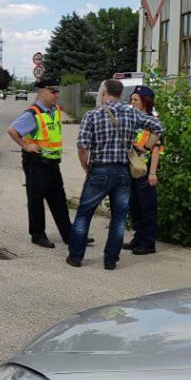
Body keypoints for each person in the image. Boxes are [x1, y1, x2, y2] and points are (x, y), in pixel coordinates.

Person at [67, 79, 164, 270]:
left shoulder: (92, 115)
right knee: (119, 217)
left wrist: (85, 166)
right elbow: (158, 127)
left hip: (99, 170)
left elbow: (83, 146)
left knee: (84, 214)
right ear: (121, 94)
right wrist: (146, 147)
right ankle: (110, 259)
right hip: (123, 172)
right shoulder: (132, 113)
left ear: (104, 92)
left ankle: (76, 256)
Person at [6, 78, 72, 249]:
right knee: (36, 200)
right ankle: (38, 235)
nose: (57, 95)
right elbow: (12, 130)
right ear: (42, 92)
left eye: (57, 92)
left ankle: (69, 235)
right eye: (53, 92)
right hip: (36, 163)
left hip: (52, 163)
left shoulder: (55, 110)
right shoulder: (32, 114)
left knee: (59, 200)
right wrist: (26, 146)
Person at [124, 85, 161, 255]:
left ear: (145, 101)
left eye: (135, 99)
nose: (132, 102)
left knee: (147, 207)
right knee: (134, 206)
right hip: (131, 169)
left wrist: (153, 173)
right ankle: (138, 238)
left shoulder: (153, 121)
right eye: (131, 99)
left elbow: (156, 149)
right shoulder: (131, 119)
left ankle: (148, 242)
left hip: (145, 170)